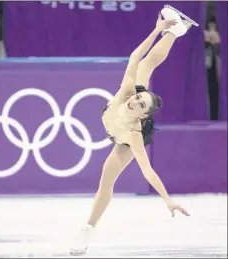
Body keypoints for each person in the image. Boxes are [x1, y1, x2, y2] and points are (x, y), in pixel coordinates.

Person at [70, 5, 198, 256]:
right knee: (146, 65)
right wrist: (157, 30)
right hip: (119, 115)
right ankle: (176, 30)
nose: (135, 102)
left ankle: (88, 229)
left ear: (143, 114)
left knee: (106, 181)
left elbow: (147, 171)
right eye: (138, 98)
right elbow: (134, 57)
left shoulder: (134, 136)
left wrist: (167, 199)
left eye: (140, 105)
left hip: (123, 137)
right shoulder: (127, 92)